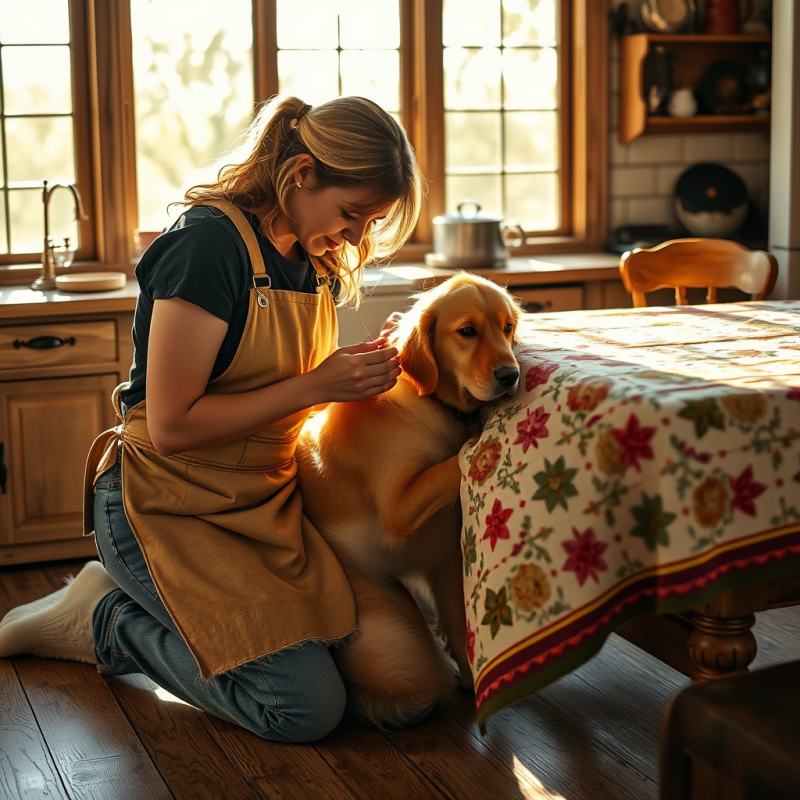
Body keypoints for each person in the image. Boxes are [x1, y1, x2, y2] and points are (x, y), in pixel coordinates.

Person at [0, 95, 423, 742]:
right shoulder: (206, 247)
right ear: (303, 173)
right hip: (164, 505)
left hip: (261, 507)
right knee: (304, 710)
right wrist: (316, 384)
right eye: (352, 215)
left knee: (381, 670)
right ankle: (106, 621)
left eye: (371, 222)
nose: (358, 238)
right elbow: (171, 427)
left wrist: (357, 371)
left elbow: (284, 395)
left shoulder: (313, 261)